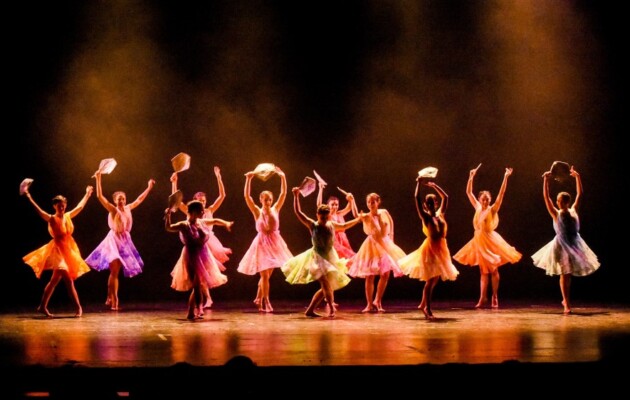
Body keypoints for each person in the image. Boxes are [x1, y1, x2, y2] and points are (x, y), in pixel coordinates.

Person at [282, 187, 362, 317]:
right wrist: (296, 196)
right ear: (317, 215)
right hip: (317, 258)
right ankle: (331, 308)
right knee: (325, 284)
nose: (324, 218)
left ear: (329, 215)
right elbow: (298, 212)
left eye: (326, 216)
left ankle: (309, 310)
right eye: (322, 216)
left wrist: (357, 220)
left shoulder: (332, 224)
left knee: (327, 286)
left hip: (330, 257)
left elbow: (344, 226)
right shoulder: (313, 225)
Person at [531, 166, 600, 314]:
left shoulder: (573, 210)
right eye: (557, 200)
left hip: (574, 243)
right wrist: (545, 180)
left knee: (568, 274)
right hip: (561, 245)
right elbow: (546, 198)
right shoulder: (556, 214)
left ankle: (566, 300)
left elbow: (580, 194)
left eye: (559, 201)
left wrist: (577, 177)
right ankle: (566, 303)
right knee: (564, 273)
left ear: (565, 202)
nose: (557, 202)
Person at [453, 166, 522, 309]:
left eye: (487, 199)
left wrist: (506, 177)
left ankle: (495, 296)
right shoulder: (477, 207)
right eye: (483, 199)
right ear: (479, 199)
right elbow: (468, 192)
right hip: (478, 240)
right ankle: (482, 297)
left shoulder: (493, 209)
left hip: (490, 240)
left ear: (489, 200)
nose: (485, 201)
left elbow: (501, 194)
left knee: (494, 269)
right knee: (483, 271)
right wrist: (471, 176)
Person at [86, 171, 155, 311]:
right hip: (113, 240)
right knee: (114, 270)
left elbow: (139, 199)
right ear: (115, 201)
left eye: (123, 198)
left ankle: (109, 296)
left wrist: (149, 187)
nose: (121, 200)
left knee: (115, 272)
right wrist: (99, 178)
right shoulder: (112, 209)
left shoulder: (128, 208)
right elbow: (100, 196)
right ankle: (114, 300)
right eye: (118, 199)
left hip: (125, 241)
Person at [22, 185, 94, 317]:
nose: (62, 207)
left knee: (54, 281)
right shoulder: (51, 218)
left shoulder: (67, 216)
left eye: (63, 205)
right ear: (54, 206)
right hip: (58, 251)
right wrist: (28, 196)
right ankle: (78, 308)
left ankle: (42, 306)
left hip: (68, 249)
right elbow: (39, 210)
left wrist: (87, 194)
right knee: (68, 280)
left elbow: (80, 207)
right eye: (59, 205)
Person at [171, 166, 232, 310]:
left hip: (207, 243)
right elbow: (176, 201)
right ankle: (205, 300)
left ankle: (203, 302)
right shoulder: (189, 211)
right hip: (194, 243)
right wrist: (174, 182)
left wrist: (218, 177)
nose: (202, 203)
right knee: (200, 275)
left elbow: (222, 196)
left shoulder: (209, 211)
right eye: (199, 201)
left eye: (204, 201)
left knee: (206, 273)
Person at [399, 177, 459, 320]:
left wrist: (434, 186)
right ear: (426, 205)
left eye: (433, 202)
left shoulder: (440, 215)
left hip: (442, 249)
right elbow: (416, 197)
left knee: (436, 278)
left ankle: (422, 303)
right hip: (430, 250)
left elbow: (446, 197)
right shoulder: (425, 217)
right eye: (429, 203)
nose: (432, 204)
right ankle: (427, 308)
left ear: (436, 203)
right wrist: (418, 184)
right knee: (430, 279)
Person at [165, 200, 233, 320]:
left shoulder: (201, 222)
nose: (203, 212)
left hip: (203, 253)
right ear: (194, 212)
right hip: (190, 255)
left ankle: (193, 310)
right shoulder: (184, 225)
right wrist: (168, 216)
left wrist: (226, 223)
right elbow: (169, 228)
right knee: (196, 284)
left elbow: (215, 221)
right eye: (201, 210)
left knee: (199, 284)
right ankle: (198, 308)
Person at [237, 165, 293, 313]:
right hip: (261, 244)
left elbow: (283, 193)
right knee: (264, 274)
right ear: (261, 199)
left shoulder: (276, 209)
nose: (267, 201)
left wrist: (282, 176)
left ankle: (258, 297)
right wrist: (248, 180)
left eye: (269, 199)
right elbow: (246, 197)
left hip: (275, 244)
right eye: (265, 199)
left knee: (267, 275)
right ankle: (265, 301)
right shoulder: (257, 211)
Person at [347, 192, 406, 313]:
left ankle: (377, 300)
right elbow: (355, 214)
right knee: (370, 275)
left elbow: (391, 224)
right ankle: (369, 304)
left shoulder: (384, 212)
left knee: (385, 274)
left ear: (378, 202)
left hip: (385, 243)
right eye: (368, 202)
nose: (370, 204)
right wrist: (352, 201)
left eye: (373, 202)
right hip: (372, 245)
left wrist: (392, 239)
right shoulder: (367, 216)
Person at [316, 181, 357, 259]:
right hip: (334, 241)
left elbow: (349, 207)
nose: (335, 206)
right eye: (332, 204)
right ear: (328, 205)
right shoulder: (327, 216)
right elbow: (319, 205)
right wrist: (320, 189)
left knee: (347, 259)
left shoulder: (339, 213)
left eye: (336, 204)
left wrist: (350, 198)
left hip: (343, 240)